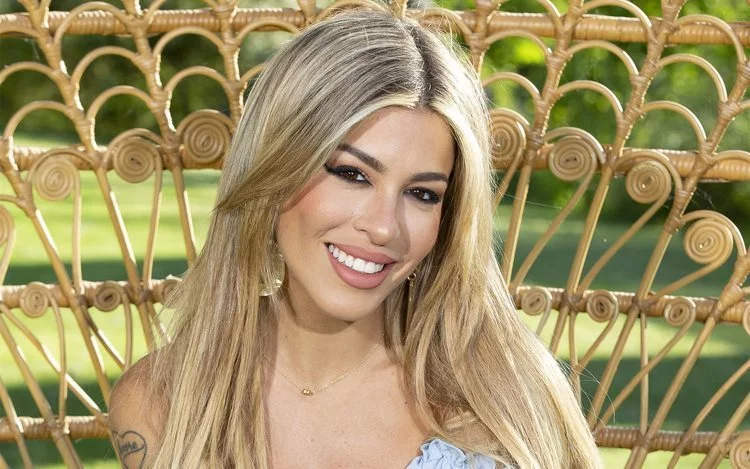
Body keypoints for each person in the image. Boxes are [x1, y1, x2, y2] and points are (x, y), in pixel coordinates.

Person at [107, 6, 602, 469]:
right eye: (352, 174)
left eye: (422, 194)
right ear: (274, 167)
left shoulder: (502, 404)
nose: (384, 226)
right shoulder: (163, 403)